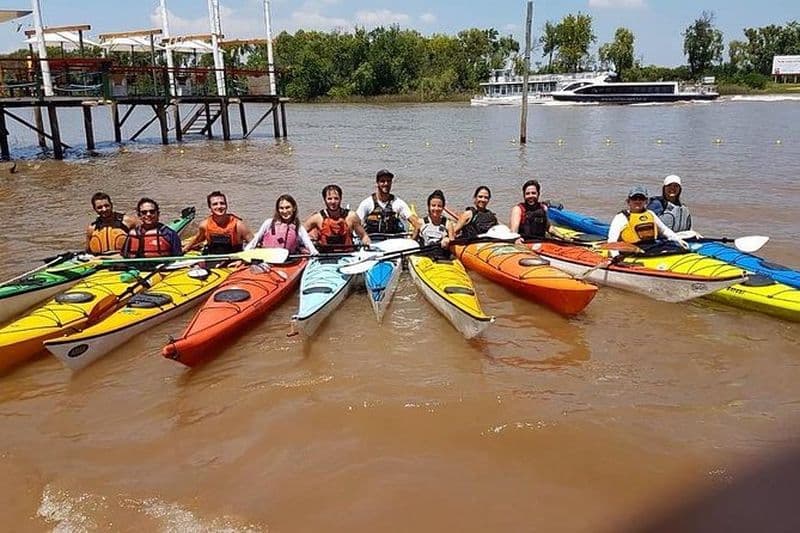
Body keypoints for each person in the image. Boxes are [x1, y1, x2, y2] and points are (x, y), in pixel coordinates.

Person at [608, 186, 689, 253]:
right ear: (628, 201)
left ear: (646, 201)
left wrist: (678, 240)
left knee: (675, 247)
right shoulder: (621, 217)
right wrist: (615, 256)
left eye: (641, 198)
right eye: (634, 198)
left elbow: (664, 231)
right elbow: (612, 240)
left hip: (651, 246)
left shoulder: (650, 214)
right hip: (633, 250)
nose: (638, 201)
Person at [355, 169, 420, 239]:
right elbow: (355, 224)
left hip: (393, 242)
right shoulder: (367, 204)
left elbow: (416, 223)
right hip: (373, 242)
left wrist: (412, 241)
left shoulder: (398, 203)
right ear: (377, 183)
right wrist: (363, 238)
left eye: (388, 181)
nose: (386, 184)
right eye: (382, 181)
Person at [183, 191, 254, 254]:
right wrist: (185, 249)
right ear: (209, 207)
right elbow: (198, 239)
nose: (219, 206)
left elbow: (254, 244)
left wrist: (242, 260)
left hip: (233, 261)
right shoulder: (204, 225)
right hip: (212, 259)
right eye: (215, 204)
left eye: (222, 203)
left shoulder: (239, 225)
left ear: (226, 205)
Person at [304, 184, 371, 251]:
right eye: (329, 199)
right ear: (324, 200)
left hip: (348, 257)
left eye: (336, 198)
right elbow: (300, 233)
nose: (333, 202)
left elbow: (363, 236)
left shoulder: (351, 217)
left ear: (341, 199)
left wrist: (368, 246)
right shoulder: (317, 218)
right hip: (324, 256)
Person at [248, 194, 318, 255]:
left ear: (294, 208)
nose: (284, 211)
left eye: (287, 207)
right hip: (267, 258)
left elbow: (308, 244)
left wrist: (314, 252)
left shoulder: (298, 227)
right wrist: (246, 251)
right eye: (281, 208)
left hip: (289, 260)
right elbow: (255, 241)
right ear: (278, 210)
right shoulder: (268, 223)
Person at [411, 190, 455, 260]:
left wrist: (448, 240)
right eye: (433, 205)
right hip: (425, 257)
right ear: (428, 206)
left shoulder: (448, 224)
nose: (436, 208)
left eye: (439, 206)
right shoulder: (420, 222)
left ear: (443, 208)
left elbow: (453, 245)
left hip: (442, 257)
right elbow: (412, 242)